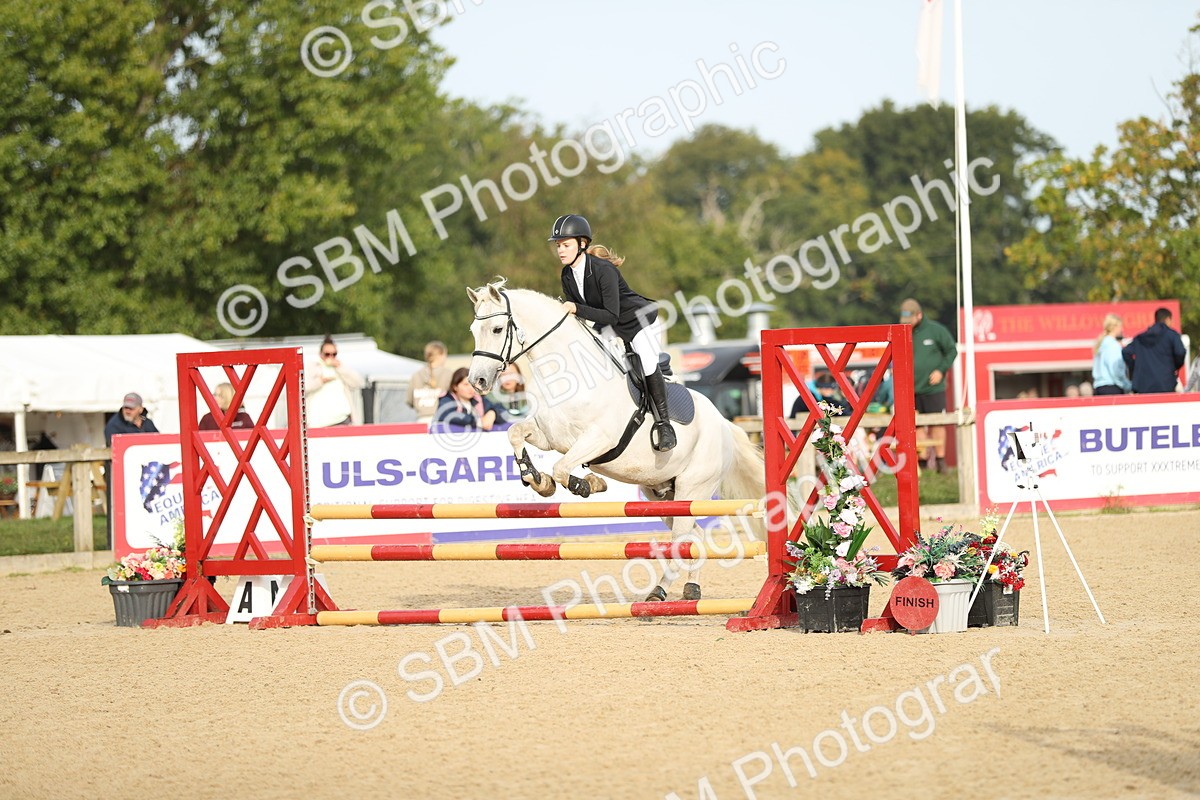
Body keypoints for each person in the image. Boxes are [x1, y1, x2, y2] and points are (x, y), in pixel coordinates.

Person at [551, 214, 676, 451]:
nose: (561, 250)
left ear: (582, 244)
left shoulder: (602, 269)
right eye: (558, 245)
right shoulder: (567, 275)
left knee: (647, 364)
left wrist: (575, 308)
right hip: (610, 326)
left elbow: (610, 314)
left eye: (566, 245)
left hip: (639, 322)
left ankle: (664, 424)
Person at [899, 298, 957, 473]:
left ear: (919, 315)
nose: (908, 324)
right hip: (912, 388)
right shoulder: (903, 331)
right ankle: (922, 463)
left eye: (911, 320)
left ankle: (940, 461)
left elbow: (951, 350)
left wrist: (940, 370)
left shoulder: (936, 331)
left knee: (937, 423)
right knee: (915, 425)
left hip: (933, 388)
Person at [103, 392, 160, 547]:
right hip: (124, 475)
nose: (127, 411)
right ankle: (115, 545)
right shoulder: (114, 425)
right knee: (121, 511)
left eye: (131, 408)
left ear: (140, 409)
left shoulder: (147, 423)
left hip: (147, 475)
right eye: (126, 407)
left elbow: (158, 441)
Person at [1122, 307, 1186, 393]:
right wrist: (1175, 367)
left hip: (1143, 384)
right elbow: (1180, 352)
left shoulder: (1140, 338)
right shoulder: (1172, 335)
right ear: (1168, 319)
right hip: (1166, 383)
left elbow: (1125, 352)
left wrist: (1135, 368)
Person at [305, 335, 363, 426]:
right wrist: (320, 381)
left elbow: (357, 382)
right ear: (320, 354)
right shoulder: (313, 366)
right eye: (327, 354)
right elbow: (303, 388)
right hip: (318, 422)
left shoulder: (340, 367)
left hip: (342, 419)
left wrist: (340, 367)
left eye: (334, 354)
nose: (331, 357)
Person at [433, 367, 504, 430]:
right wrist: (478, 422)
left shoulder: (479, 399)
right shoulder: (446, 399)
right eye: (466, 385)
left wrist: (493, 413)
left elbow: (502, 411)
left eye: (473, 385)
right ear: (455, 386)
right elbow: (447, 414)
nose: (471, 389)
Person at [407, 340, 453, 423]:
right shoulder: (448, 374)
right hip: (442, 419)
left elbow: (409, 401)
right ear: (440, 355)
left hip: (421, 420)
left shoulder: (416, 375)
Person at [1091, 313, 1130, 396]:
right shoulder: (1113, 345)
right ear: (1114, 327)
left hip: (1098, 387)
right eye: (1120, 327)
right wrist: (1128, 385)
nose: (1122, 330)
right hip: (1111, 388)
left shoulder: (1101, 344)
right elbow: (1116, 370)